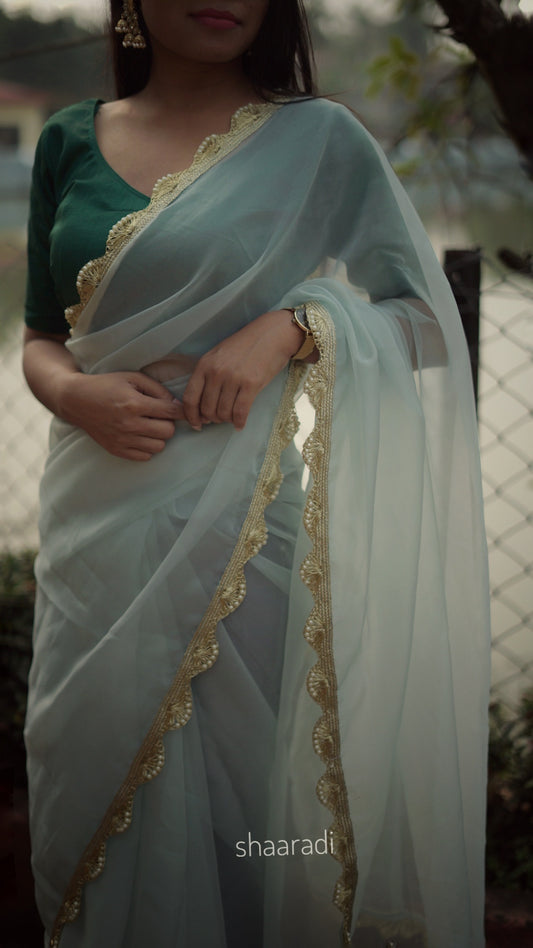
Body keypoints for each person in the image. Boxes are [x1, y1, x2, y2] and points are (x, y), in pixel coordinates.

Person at [22, 1, 491, 946]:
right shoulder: (71, 138)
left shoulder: (316, 139)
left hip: (247, 540)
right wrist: (74, 395)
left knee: (257, 826)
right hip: (94, 540)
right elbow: (40, 335)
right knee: (87, 789)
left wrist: (293, 328)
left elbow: (427, 318)